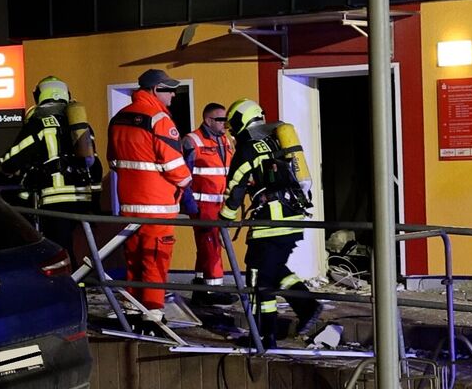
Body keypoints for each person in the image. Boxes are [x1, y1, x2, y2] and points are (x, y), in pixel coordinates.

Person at [219, 99, 322, 349]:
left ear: (242, 121)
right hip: (292, 218)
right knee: (271, 269)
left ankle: (264, 336)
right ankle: (307, 307)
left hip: (271, 221)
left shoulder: (248, 148)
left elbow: (236, 185)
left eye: (233, 124)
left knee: (259, 279)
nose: (232, 131)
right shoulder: (273, 141)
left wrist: (225, 217)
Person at [107, 69, 190, 327]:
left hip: (129, 204)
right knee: (155, 259)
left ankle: (133, 308)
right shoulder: (159, 119)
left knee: (133, 259)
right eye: (169, 90)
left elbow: (113, 160)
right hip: (158, 205)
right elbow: (175, 166)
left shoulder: (119, 118)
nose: (173, 95)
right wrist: (187, 182)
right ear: (155, 90)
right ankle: (153, 314)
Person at [0, 76, 102, 266]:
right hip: (82, 197)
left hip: (55, 198)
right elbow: (94, 163)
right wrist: (95, 201)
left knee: (57, 247)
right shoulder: (80, 124)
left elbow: (11, 160)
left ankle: (68, 286)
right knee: (70, 244)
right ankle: (78, 282)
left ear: (39, 96)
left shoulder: (39, 123)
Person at [181, 102, 237, 307]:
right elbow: (183, 175)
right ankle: (214, 290)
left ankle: (200, 285)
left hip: (221, 204)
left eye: (226, 119)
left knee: (207, 246)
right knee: (212, 246)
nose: (225, 123)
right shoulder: (191, 141)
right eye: (221, 119)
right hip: (202, 204)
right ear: (208, 120)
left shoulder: (228, 140)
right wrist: (189, 204)